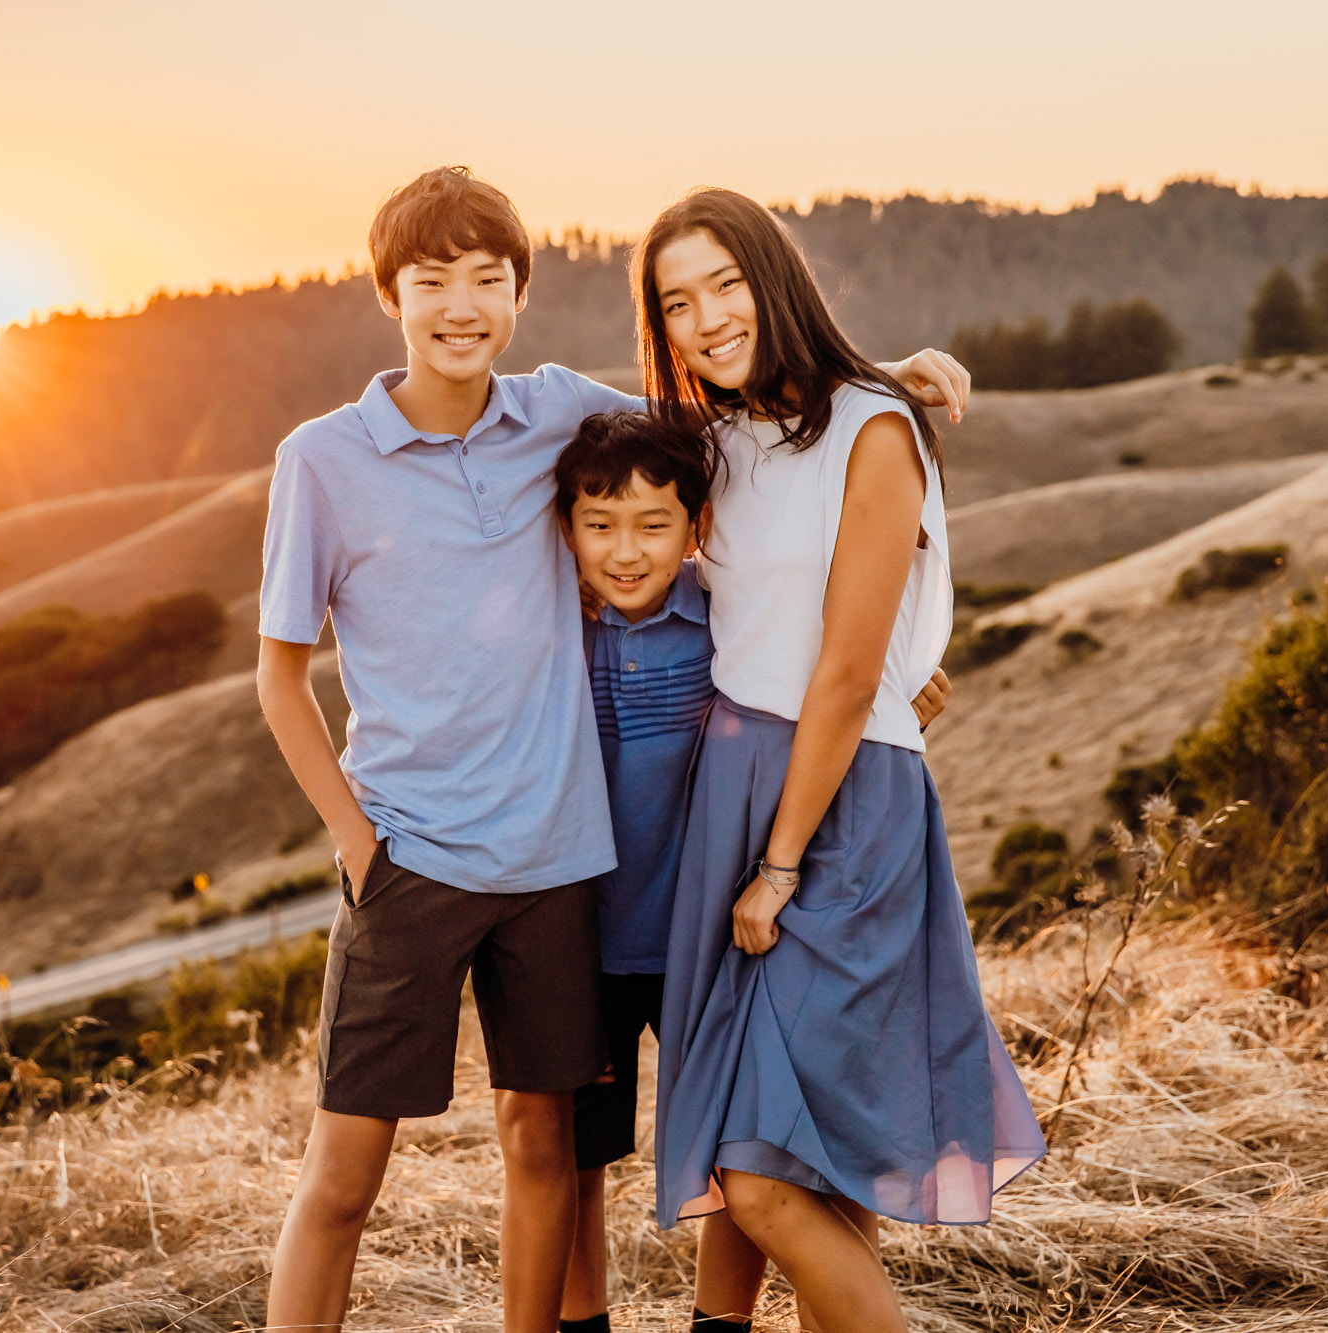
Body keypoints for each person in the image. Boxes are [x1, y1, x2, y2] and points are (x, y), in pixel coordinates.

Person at [254, 165, 970, 1333]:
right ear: (387, 293)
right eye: (431, 282)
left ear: (522, 291)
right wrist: (355, 840)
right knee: (348, 1169)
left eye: (489, 279)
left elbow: (737, 424)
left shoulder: (550, 410)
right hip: (414, 861)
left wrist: (893, 377)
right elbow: (277, 671)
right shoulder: (322, 459)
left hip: (560, 869)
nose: (461, 307)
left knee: (588, 1140)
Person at [639, 188, 1048, 1333]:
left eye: (724, 282)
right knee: (791, 1143)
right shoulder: (716, 442)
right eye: (677, 303)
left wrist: (775, 867)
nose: (706, 318)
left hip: (840, 810)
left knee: (767, 1175)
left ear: (774, 277)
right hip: (733, 785)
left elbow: (844, 671)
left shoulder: (873, 427)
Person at [551, 411, 949, 1333]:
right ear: (565, 526)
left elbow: (835, 662)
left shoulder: (726, 614)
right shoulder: (550, 624)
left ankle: (718, 1322)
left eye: (656, 525)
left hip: (714, 928)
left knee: (744, 1143)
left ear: (698, 528)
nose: (625, 551)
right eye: (598, 524)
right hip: (581, 935)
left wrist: (906, 683)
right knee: (579, 1150)